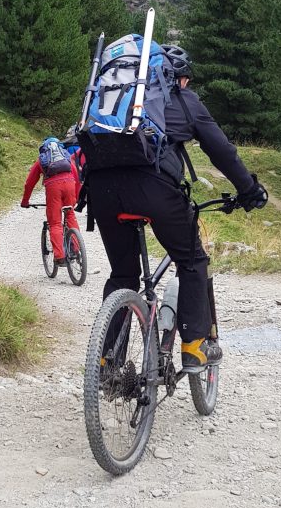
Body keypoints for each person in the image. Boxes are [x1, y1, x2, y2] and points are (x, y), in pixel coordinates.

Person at [84, 45, 268, 372]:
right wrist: (249, 190)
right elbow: (221, 150)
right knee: (192, 259)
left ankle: (106, 363)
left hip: (101, 188)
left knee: (123, 274)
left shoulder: (111, 96)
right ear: (178, 78)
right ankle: (195, 346)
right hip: (153, 187)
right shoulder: (184, 99)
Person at [21, 137, 81, 266]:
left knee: (54, 223)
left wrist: (25, 201)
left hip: (53, 187)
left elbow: (29, 183)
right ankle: (76, 249)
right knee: (70, 214)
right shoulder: (65, 156)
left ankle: (59, 257)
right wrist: (76, 198)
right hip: (69, 184)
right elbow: (76, 177)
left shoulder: (42, 159)